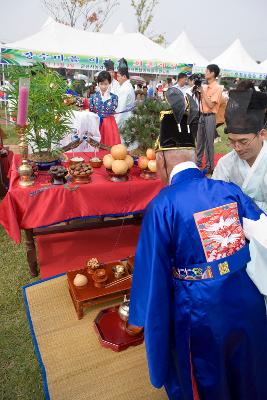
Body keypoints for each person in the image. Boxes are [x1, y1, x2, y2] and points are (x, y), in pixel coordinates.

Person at [128, 86, 267, 400]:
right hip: (246, 300)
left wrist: (139, 315)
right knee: (248, 369)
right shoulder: (226, 189)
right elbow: (262, 229)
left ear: (161, 161)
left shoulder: (162, 206)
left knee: (208, 379)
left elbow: (152, 272)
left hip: (201, 311)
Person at [212, 88, 267, 212]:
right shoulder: (226, 163)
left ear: (262, 134)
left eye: (243, 142)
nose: (237, 147)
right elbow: (216, 198)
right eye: (232, 141)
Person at [196, 64, 222, 174]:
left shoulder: (217, 88)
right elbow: (201, 101)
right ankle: (198, 162)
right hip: (202, 115)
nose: (205, 73)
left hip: (210, 116)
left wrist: (202, 91)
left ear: (212, 73)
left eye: (207, 71)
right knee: (200, 140)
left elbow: (211, 105)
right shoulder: (205, 87)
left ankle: (210, 166)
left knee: (208, 142)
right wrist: (198, 91)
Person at [89, 70, 120, 146]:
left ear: (109, 83)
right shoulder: (93, 97)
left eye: (106, 84)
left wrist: (106, 96)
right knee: (96, 147)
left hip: (109, 124)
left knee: (110, 147)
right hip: (96, 123)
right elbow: (91, 110)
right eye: (101, 84)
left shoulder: (114, 97)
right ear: (98, 84)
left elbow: (112, 108)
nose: (103, 86)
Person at [115, 58, 135, 130]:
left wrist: (115, 126)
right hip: (127, 118)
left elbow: (121, 108)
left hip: (124, 119)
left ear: (124, 77)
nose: (117, 79)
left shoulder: (125, 89)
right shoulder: (127, 86)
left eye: (118, 76)